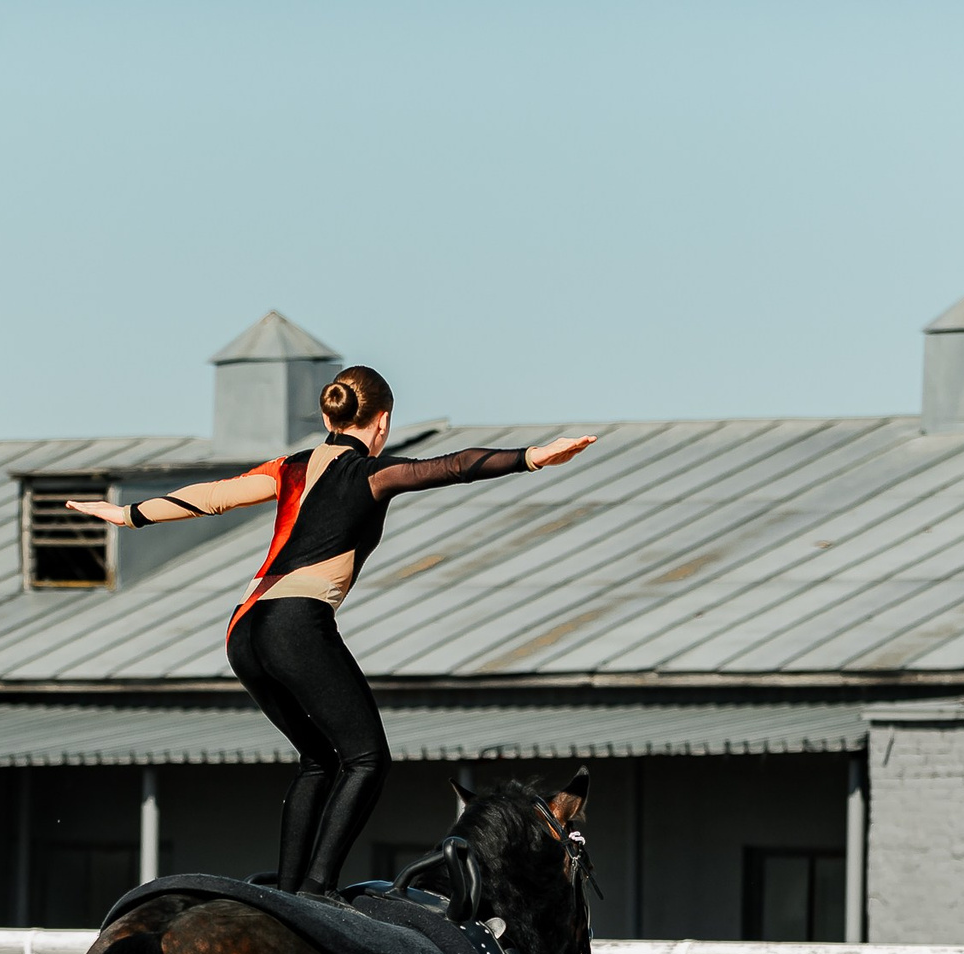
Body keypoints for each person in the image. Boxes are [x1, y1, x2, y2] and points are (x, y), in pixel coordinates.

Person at [69, 366, 596, 898]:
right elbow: (453, 466)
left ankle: (289, 892)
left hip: (243, 628)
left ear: (328, 417)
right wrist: (532, 456)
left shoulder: (290, 467)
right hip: (294, 623)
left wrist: (127, 514)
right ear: (383, 420)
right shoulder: (369, 473)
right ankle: (317, 892)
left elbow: (213, 496)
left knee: (319, 759)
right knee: (367, 759)